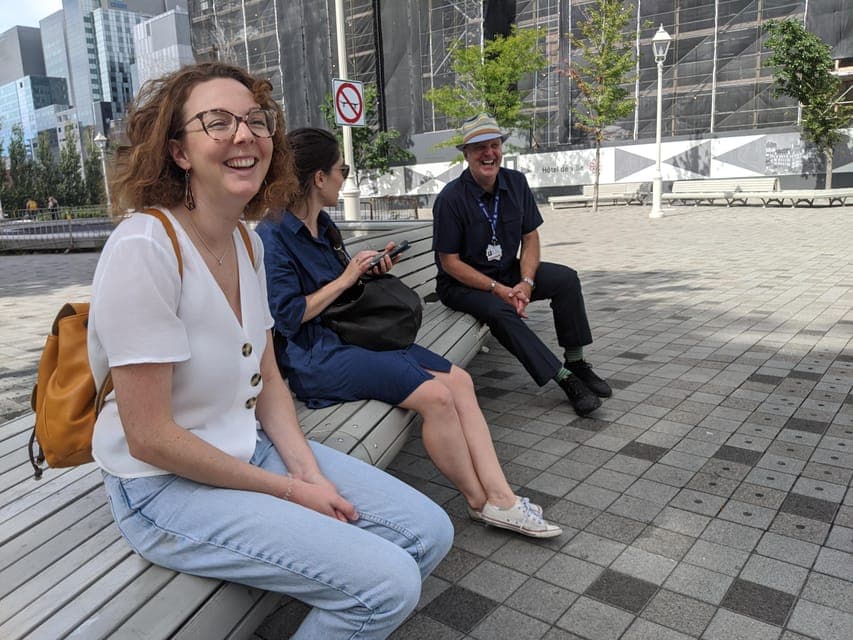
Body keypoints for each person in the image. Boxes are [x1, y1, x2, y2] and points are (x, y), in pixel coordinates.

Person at [87, 63, 454, 639]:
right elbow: (149, 436)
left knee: (429, 532)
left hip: (245, 451)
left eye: (256, 121)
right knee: (386, 585)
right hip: (161, 487)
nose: (244, 134)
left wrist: (309, 472)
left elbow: (271, 383)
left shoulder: (246, 243)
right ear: (179, 151)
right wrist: (292, 491)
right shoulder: (144, 247)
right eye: (217, 122)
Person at [258, 127, 562, 540]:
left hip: (355, 336)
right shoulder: (273, 235)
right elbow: (289, 316)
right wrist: (348, 278)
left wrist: (366, 270)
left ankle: (501, 495)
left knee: (460, 381)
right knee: (436, 398)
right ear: (318, 178)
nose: (344, 176)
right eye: (341, 169)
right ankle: (482, 503)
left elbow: (343, 292)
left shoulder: (322, 224)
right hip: (318, 357)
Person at [432, 113, 612, 416]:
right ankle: (564, 378)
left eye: (494, 145)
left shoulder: (516, 183)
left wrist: (526, 282)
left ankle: (576, 361)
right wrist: (498, 289)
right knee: (499, 310)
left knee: (566, 279)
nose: (489, 154)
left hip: (506, 271)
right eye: (479, 148)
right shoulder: (451, 198)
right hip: (460, 284)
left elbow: (530, 237)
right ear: (466, 154)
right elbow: (449, 262)